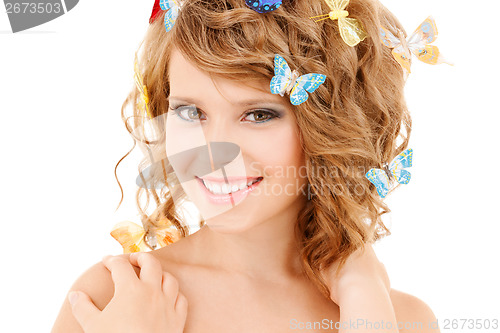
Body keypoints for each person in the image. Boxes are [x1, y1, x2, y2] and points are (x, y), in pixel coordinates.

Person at [51, 0, 441, 332]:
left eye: (258, 115)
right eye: (190, 111)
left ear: (330, 127)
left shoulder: (399, 319)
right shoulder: (116, 299)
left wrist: (364, 297)